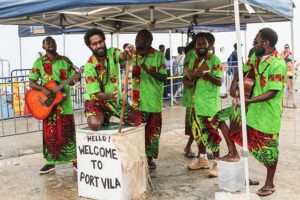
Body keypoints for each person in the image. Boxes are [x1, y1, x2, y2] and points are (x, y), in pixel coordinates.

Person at [216, 28, 286, 197]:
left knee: (269, 149)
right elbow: (242, 69)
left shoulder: (278, 63)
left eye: (256, 42)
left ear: (266, 44)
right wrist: (234, 82)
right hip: (249, 108)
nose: (253, 45)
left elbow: (273, 92)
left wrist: (249, 100)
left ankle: (270, 183)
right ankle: (233, 152)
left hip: (266, 113)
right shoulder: (255, 56)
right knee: (220, 117)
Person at [28, 36, 81, 174]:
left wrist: (75, 79)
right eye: (48, 43)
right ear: (43, 46)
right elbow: (32, 82)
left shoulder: (65, 60)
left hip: (64, 104)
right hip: (47, 105)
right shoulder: (39, 62)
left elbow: (72, 80)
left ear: (56, 45)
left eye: (53, 42)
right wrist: (44, 89)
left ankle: (75, 160)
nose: (51, 44)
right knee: (50, 135)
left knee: (68, 133)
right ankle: (50, 163)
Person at [83, 28, 141, 131]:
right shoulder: (89, 66)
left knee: (137, 120)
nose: (99, 46)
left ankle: (106, 114)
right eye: (94, 44)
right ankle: (104, 115)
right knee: (95, 124)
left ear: (104, 41)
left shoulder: (112, 52)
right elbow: (96, 94)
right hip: (95, 101)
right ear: (89, 46)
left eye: (100, 42)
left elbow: (123, 56)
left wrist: (128, 51)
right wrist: (112, 96)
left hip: (114, 99)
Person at [182, 32, 223, 177]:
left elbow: (219, 81)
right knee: (197, 133)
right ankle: (203, 159)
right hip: (194, 104)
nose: (200, 47)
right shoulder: (192, 59)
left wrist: (206, 74)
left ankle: (217, 163)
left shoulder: (214, 60)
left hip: (208, 104)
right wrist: (189, 80)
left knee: (211, 134)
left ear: (209, 45)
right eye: (198, 44)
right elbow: (185, 79)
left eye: (203, 44)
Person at [131, 29, 167, 169]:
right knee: (137, 132)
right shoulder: (133, 56)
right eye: (136, 37)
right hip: (137, 102)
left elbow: (164, 77)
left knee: (152, 133)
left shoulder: (158, 56)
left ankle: (150, 159)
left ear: (148, 41)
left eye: (139, 38)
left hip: (153, 101)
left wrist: (148, 70)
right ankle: (138, 157)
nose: (136, 40)